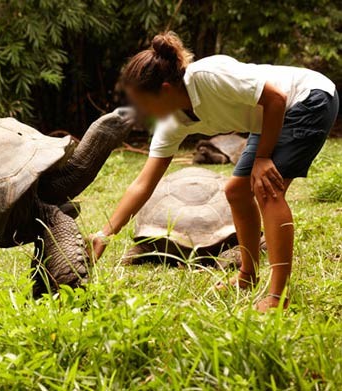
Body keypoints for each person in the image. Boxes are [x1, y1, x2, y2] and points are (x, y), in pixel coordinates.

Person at [90, 31, 338, 312]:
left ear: (167, 90)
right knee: (236, 191)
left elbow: (276, 98)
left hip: (308, 99)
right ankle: (247, 274)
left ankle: (277, 295)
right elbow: (142, 184)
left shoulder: (208, 76)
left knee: (266, 188)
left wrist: (264, 157)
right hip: (266, 117)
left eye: (145, 103)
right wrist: (105, 233)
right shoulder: (172, 123)